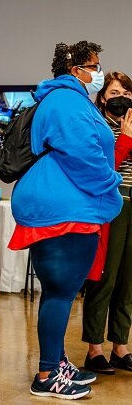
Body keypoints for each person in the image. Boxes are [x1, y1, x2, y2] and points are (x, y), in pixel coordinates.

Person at [8, 41, 122, 399]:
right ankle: (46, 376)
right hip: (63, 213)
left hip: (63, 209)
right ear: (77, 70)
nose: (98, 73)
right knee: (59, 293)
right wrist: (112, 184)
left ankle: (55, 362)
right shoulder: (66, 101)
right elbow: (84, 155)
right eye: (95, 66)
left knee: (58, 293)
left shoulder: (65, 100)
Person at [82, 71, 132, 374]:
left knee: (128, 280)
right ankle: (94, 349)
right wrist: (125, 139)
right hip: (112, 205)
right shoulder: (98, 127)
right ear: (102, 97)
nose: (121, 98)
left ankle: (120, 346)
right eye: (114, 93)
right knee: (105, 278)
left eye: (126, 92)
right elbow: (102, 169)